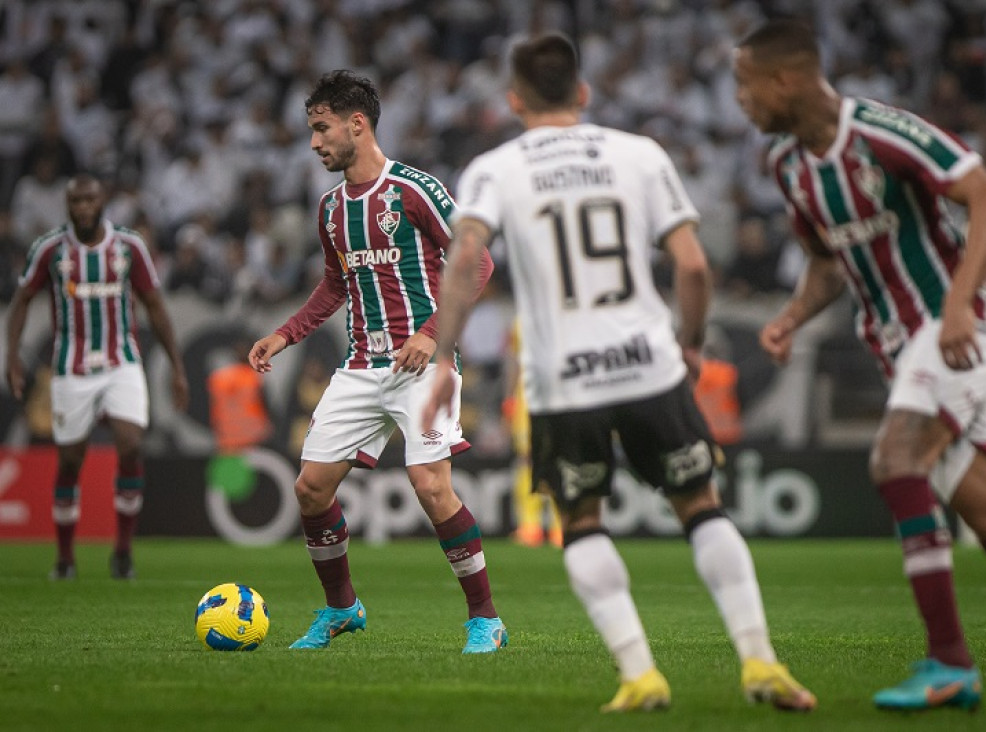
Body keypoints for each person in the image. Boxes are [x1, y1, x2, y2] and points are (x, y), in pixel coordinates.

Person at [424, 33, 815, 713]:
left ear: (514, 99)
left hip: (563, 379)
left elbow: (464, 264)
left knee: (581, 521)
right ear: (583, 93)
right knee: (702, 507)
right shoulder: (639, 155)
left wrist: (439, 360)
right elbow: (692, 266)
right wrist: (690, 346)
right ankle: (760, 662)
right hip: (648, 366)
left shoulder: (494, 168)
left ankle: (640, 675)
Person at [732, 18, 986, 713]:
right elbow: (825, 261)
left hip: (958, 332)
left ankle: (950, 664)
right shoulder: (789, 167)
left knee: (896, 460)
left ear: (784, 80)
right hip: (904, 353)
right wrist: (789, 318)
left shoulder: (883, 133)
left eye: (745, 86)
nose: (740, 102)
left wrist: (959, 304)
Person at [248, 70, 505, 654]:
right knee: (311, 490)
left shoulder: (414, 190)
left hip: (425, 366)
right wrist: (285, 335)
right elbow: (335, 286)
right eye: (311, 130)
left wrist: (434, 333)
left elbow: (478, 265)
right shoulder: (331, 209)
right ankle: (342, 609)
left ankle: (485, 618)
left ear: (356, 124)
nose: (314, 143)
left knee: (431, 487)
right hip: (362, 364)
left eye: (321, 129)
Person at [5, 174, 188, 580]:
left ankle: (122, 552)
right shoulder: (50, 248)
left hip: (121, 361)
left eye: (90, 200)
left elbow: (155, 305)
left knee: (130, 445)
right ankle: (65, 557)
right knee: (70, 460)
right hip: (71, 368)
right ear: (68, 205)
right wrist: (13, 355)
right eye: (76, 202)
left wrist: (177, 367)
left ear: (102, 201)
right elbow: (21, 301)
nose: (84, 208)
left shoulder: (128, 246)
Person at [502, 320, 561, 548]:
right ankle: (530, 526)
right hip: (527, 397)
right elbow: (513, 362)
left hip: (558, 396)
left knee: (558, 457)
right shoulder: (520, 321)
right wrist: (509, 399)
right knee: (528, 461)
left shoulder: (561, 315)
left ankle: (560, 525)